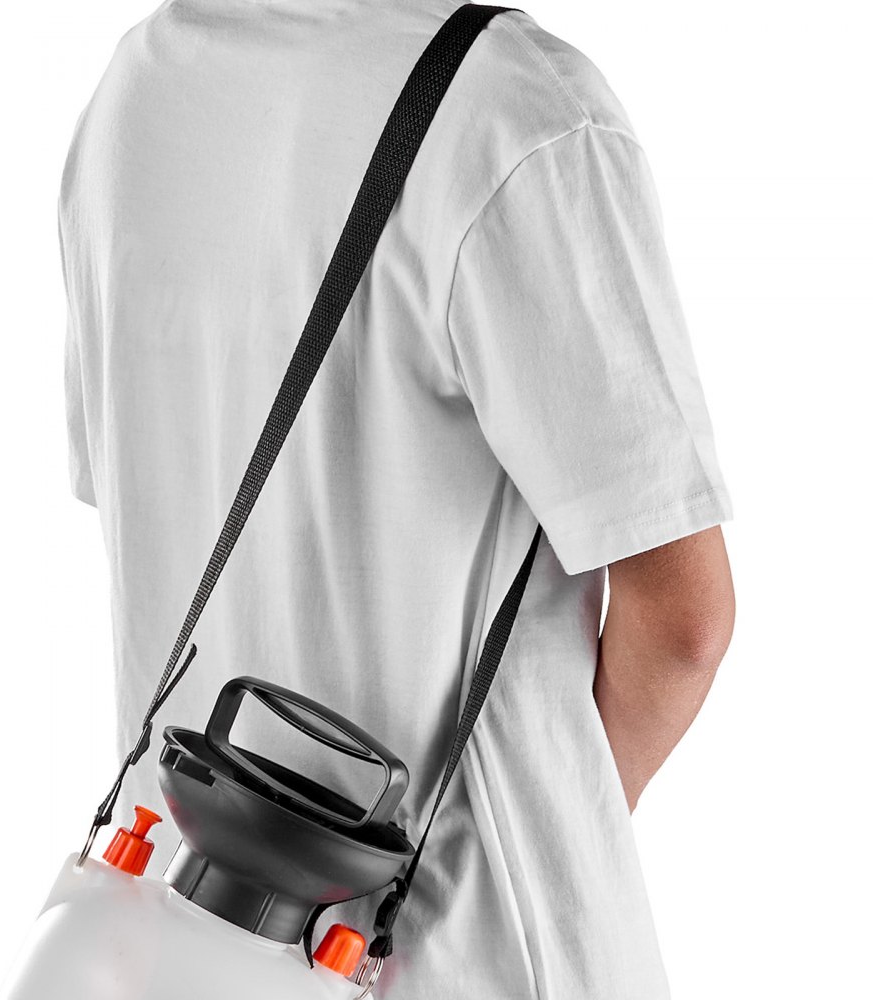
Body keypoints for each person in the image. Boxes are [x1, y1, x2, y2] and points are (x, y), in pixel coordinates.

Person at [57, 0, 735, 996]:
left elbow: (139, 495)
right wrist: (557, 847)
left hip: (182, 941)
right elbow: (683, 623)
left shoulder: (138, 90)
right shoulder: (514, 110)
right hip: (470, 953)